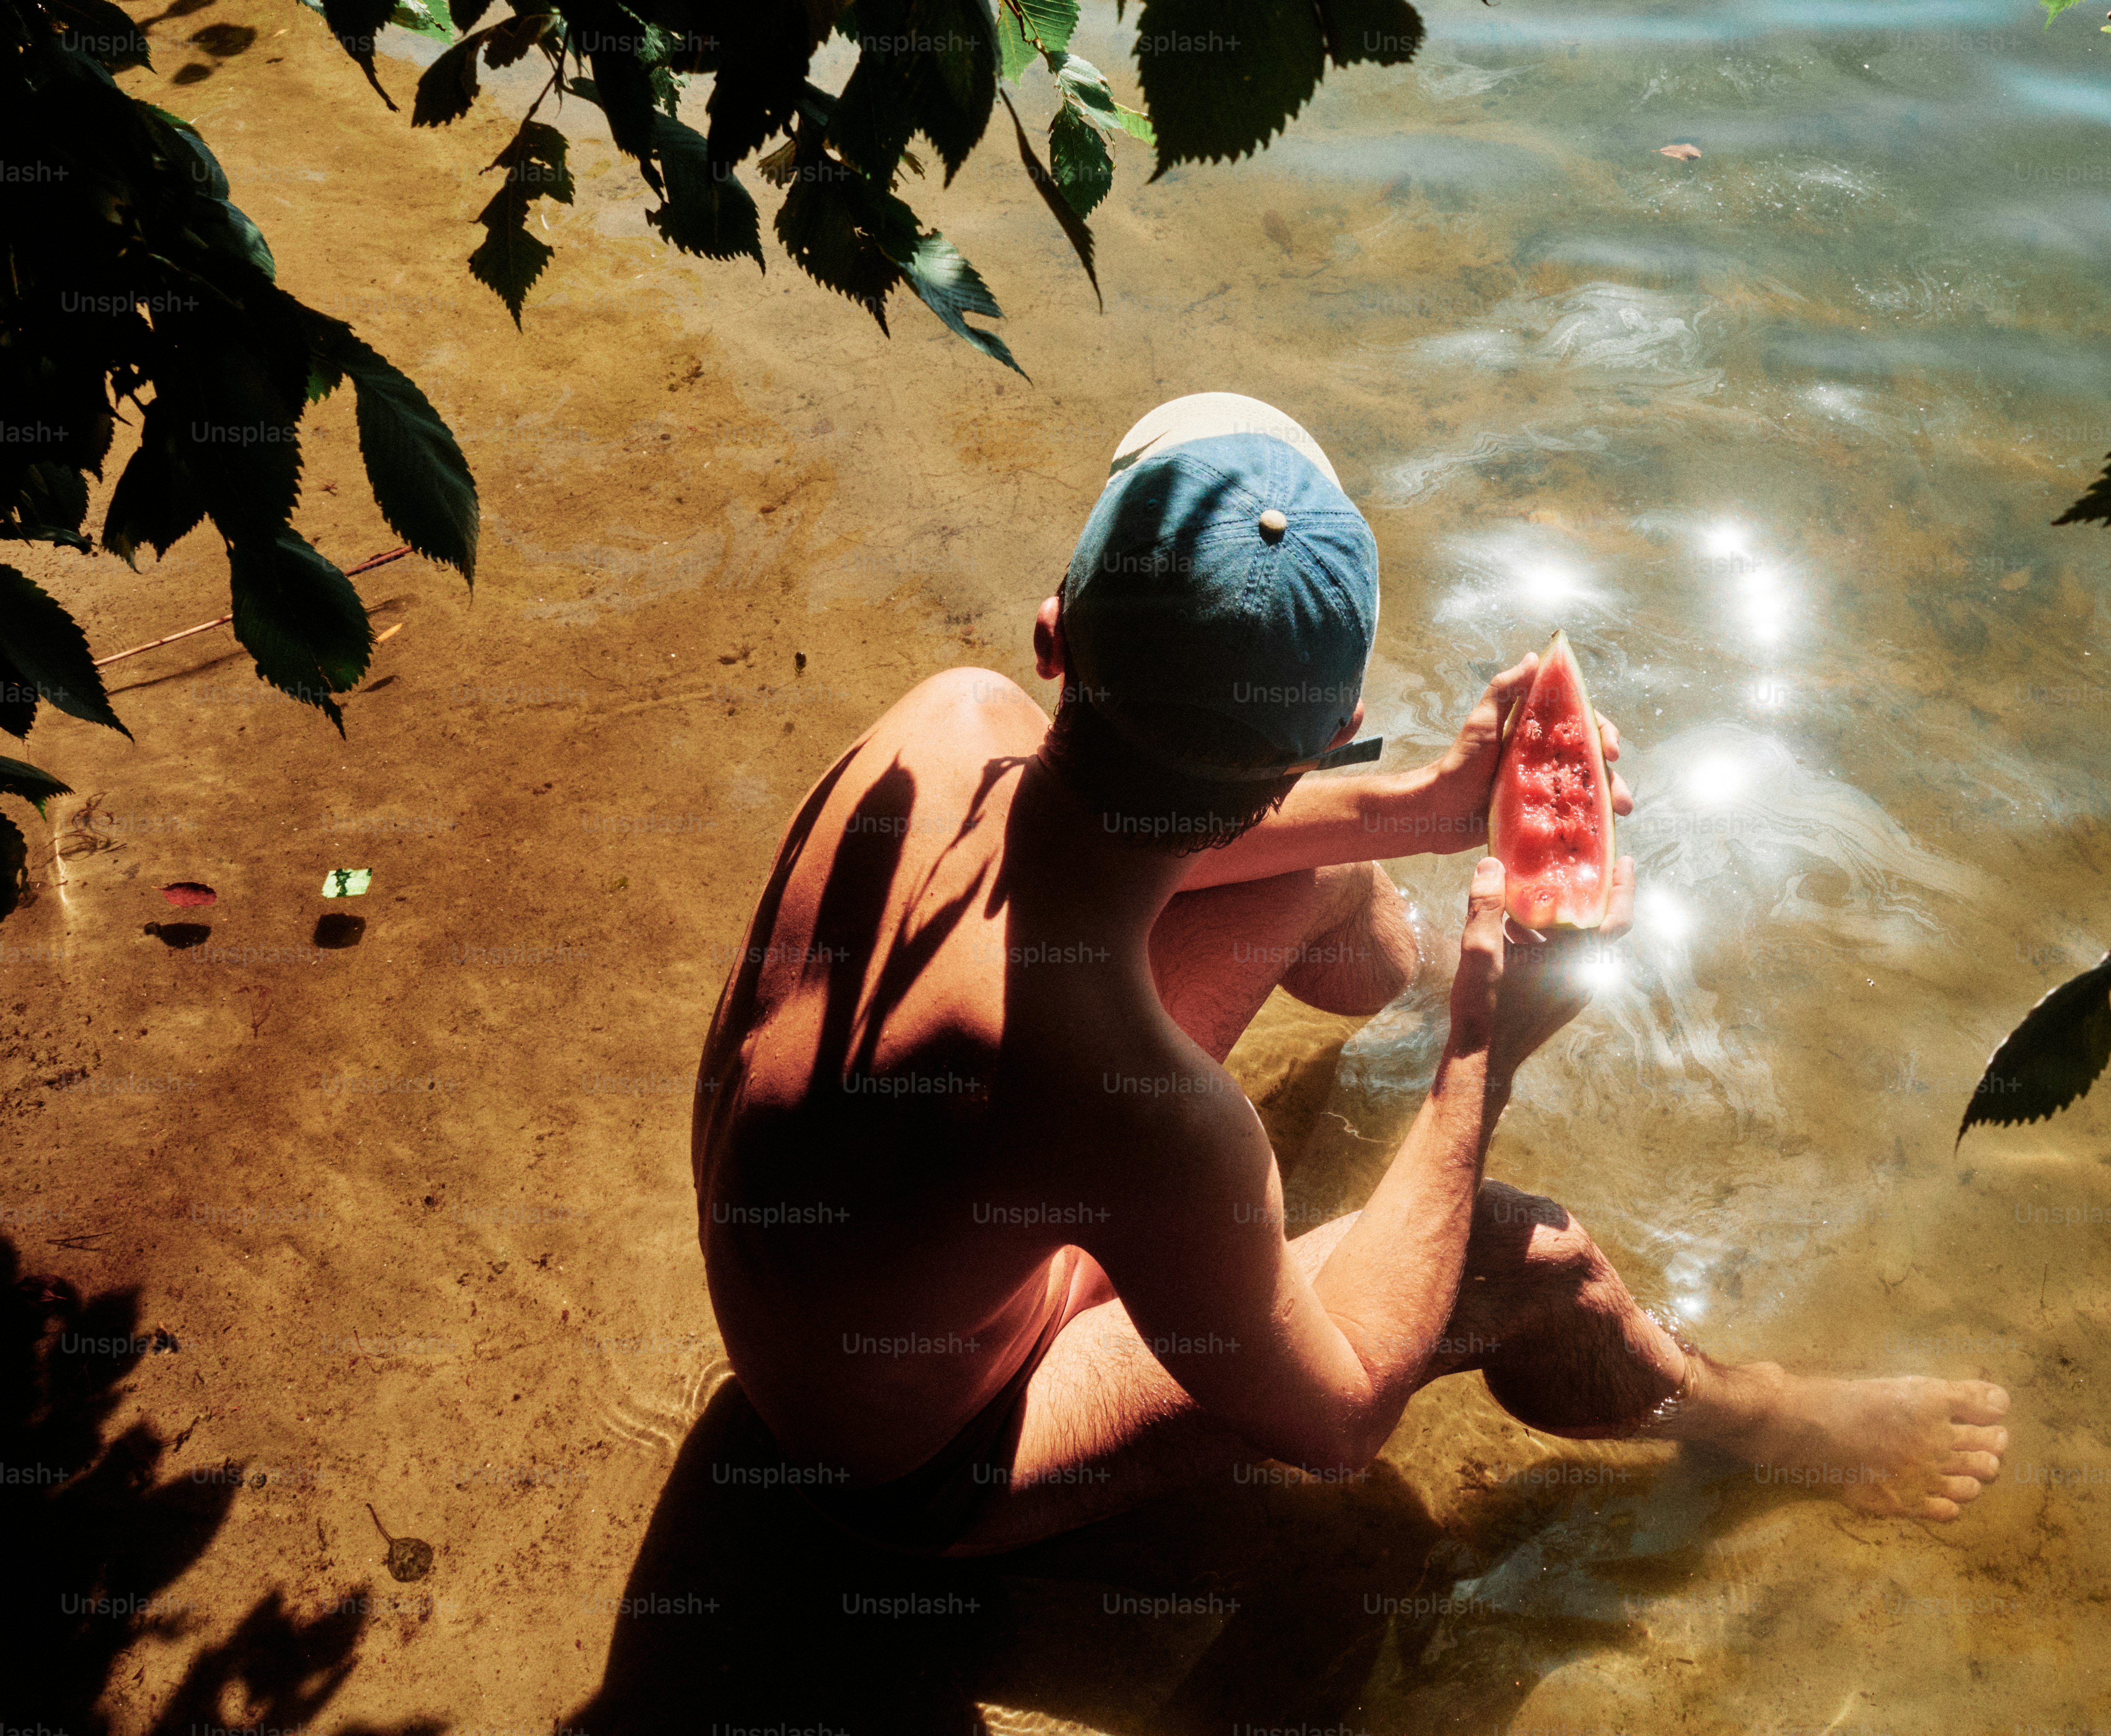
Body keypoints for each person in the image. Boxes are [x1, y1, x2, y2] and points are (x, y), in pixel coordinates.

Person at [690, 394, 2007, 1555]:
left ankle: (1419, 1001)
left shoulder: (953, 722)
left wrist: (1434, 807)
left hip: (852, 1298)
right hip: (924, 1460)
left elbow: (1135, 823)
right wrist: (1490, 1045)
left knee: (1327, 882)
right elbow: (1338, 1422)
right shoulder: (1138, 1113)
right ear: (1325, 734)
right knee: (1518, 1255)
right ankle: (1760, 1421)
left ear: (1055, 634)